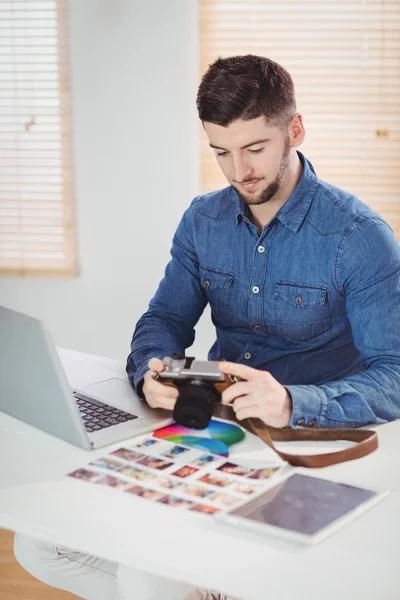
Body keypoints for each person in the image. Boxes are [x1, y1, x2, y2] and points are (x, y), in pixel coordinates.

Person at [13, 55, 400, 600]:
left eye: (255, 149)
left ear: (295, 129)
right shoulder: (203, 220)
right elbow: (165, 319)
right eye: (221, 152)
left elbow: (395, 373)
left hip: (302, 445)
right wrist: (151, 367)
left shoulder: (358, 238)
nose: (239, 170)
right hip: (212, 429)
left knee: (146, 576)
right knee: (40, 545)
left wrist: (291, 400)